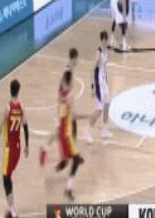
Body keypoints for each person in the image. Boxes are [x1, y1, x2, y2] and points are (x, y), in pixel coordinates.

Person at [0, 79, 29, 218]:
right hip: (18, 148)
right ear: (18, 90)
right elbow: (25, 127)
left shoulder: (7, 108)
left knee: (5, 178)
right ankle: (12, 208)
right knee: (8, 177)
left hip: (9, 149)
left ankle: (13, 211)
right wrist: (27, 146)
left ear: (10, 89)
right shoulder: (22, 107)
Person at [39, 48, 78, 167]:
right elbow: (62, 91)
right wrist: (65, 102)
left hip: (65, 104)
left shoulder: (70, 70)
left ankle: (49, 149)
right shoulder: (68, 72)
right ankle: (49, 149)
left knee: (60, 131)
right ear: (74, 58)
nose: (78, 61)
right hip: (63, 105)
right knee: (61, 131)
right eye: (77, 59)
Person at [56, 70, 84, 201]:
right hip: (67, 134)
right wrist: (86, 116)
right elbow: (74, 116)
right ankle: (68, 189)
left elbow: (62, 114)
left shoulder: (60, 95)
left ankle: (64, 161)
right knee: (77, 160)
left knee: (73, 158)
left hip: (62, 131)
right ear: (70, 83)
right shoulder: (69, 97)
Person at [86, 31, 112, 144]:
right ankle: (88, 131)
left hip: (104, 83)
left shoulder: (106, 51)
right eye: (105, 40)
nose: (106, 42)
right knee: (99, 110)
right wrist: (92, 86)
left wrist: (106, 80)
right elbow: (92, 70)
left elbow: (104, 68)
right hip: (98, 84)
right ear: (102, 40)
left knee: (107, 105)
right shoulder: (99, 53)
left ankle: (104, 131)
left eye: (107, 40)